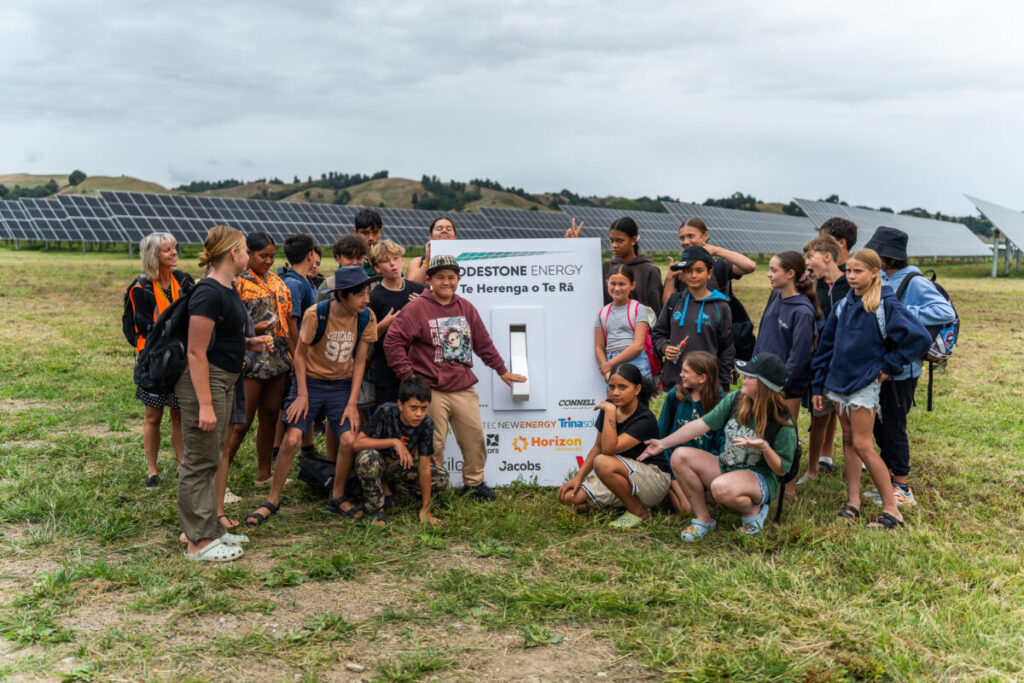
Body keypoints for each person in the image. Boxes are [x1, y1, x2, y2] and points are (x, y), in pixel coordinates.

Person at [383, 255, 526, 501]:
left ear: (459, 280)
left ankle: (474, 484)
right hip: (430, 389)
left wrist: (502, 370)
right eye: (440, 277)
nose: (446, 282)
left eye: (451, 277)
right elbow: (393, 340)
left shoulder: (465, 307)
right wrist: (408, 377)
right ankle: (433, 487)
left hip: (462, 386)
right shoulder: (417, 309)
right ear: (429, 280)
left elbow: (483, 343)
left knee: (474, 438)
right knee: (434, 442)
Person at [244, 265, 378, 526]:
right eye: (360, 294)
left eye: (367, 293)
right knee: (292, 439)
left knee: (349, 440)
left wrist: (352, 402)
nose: (367, 299)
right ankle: (273, 499)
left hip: (342, 386)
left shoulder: (366, 317)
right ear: (342, 295)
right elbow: (301, 356)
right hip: (311, 382)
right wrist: (302, 394)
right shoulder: (316, 314)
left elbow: (360, 361)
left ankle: (337, 495)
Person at [810, 249, 931, 530]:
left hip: (863, 385)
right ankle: (853, 503)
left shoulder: (885, 305)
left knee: (864, 445)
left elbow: (920, 338)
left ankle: (892, 511)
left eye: (858, 272)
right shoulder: (842, 304)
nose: (851, 277)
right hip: (837, 384)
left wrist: (890, 364)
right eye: (848, 271)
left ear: (874, 272)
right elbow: (826, 346)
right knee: (849, 442)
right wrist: (818, 384)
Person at [176, 225, 270, 561]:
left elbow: (220, 336)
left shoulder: (226, 289)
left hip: (224, 379)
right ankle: (197, 541)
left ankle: (210, 530)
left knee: (211, 456)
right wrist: (204, 404)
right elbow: (196, 352)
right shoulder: (209, 292)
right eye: (245, 249)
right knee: (199, 460)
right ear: (233, 253)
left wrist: (247, 342)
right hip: (207, 381)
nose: (248, 255)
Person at [642, 353, 797, 541]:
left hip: (759, 478)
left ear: (764, 385)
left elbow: (782, 470)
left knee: (720, 487)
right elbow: (701, 425)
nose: (743, 379)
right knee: (679, 456)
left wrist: (764, 447)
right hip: (727, 467)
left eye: (749, 377)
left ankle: (753, 510)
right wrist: (662, 444)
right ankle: (703, 519)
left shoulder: (782, 421)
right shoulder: (735, 400)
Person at [862, 226, 956, 508]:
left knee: (893, 427)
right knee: (880, 427)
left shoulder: (914, 281)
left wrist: (902, 312)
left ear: (888, 257)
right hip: (884, 366)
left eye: (876, 255)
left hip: (903, 370)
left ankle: (902, 487)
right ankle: (889, 482)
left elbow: (945, 311)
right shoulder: (884, 277)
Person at [223, 232, 294, 487]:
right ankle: (219, 481)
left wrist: (292, 355)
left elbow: (288, 322)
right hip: (250, 360)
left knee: (270, 417)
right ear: (249, 254)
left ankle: (264, 474)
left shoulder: (278, 282)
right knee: (240, 423)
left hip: (277, 360)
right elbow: (228, 324)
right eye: (263, 256)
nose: (268, 260)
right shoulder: (237, 284)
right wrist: (257, 328)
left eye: (272, 256)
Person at [556, 364, 664, 528]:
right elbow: (598, 447)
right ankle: (624, 499)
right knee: (569, 497)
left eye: (622, 387)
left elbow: (609, 449)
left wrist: (611, 411)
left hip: (653, 479)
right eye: (612, 387)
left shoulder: (644, 419)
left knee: (602, 462)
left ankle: (639, 512)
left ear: (637, 389)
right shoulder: (610, 407)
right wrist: (578, 477)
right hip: (622, 475)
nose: (615, 392)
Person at [129, 232, 195, 488]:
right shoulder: (140, 288)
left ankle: (181, 465)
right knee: (153, 416)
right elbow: (146, 326)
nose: (174, 253)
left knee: (178, 414)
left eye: (174, 248)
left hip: (179, 358)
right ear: (154, 256)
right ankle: (152, 470)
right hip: (154, 361)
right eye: (167, 250)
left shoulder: (184, 280)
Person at [352, 376, 449, 525]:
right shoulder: (385, 411)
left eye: (424, 408)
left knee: (441, 478)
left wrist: (426, 507)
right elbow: (357, 444)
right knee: (367, 457)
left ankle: (389, 490)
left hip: (399, 467)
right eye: (413, 408)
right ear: (401, 405)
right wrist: (393, 442)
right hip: (378, 463)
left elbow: (424, 466)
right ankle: (376, 508)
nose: (419, 414)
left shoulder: (426, 424)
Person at [798, 235, 849, 484]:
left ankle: (853, 469)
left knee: (847, 422)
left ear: (827, 257)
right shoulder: (811, 287)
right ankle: (812, 470)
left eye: (810, 257)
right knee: (818, 418)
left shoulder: (850, 286)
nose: (807, 263)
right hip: (819, 367)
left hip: (845, 368)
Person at [651, 245, 734, 389]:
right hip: (675, 383)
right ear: (682, 274)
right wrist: (664, 348)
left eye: (699, 271)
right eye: (688, 271)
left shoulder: (721, 306)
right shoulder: (674, 302)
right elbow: (657, 334)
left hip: (706, 384)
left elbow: (727, 349)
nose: (693, 275)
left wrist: (724, 384)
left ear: (709, 273)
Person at [753, 251, 820, 430]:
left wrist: (780, 384)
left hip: (785, 389)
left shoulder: (802, 312)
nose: (769, 274)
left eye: (774, 270)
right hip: (762, 381)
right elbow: (762, 338)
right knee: (760, 431)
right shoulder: (775, 297)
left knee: (782, 434)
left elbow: (799, 357)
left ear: (790, 274)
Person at [655, 351, 725, 513]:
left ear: (702, 378)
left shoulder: (720, 401)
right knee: (687, 510)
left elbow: (721, 439)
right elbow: (662, 432)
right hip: (675, 465)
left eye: (686, 371)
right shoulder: (675, 396)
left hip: (704, 465)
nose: (681, 375)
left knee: (707, 504)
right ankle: (669, 487)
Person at [369, 239, 424, 405]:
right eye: (386, 261)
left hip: (418, 368)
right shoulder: (374, 297)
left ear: (402, 260)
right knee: (389, 422)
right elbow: (366, 337)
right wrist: (384, 324)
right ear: (377, 268)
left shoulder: (418, 290)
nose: (392, 264)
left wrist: (424, 306)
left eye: (395, 258)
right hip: (386, 373)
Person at [663, 217, 756, 306]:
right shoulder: (680, 269)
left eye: (691, 236)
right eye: (682, 238)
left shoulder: (719, 265)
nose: (686, 242)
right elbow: (667, 307)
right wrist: (670, 277)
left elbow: (749, 266)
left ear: (706, 236)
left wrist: (716, 250)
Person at [594, 264, 653, 380]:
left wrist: (609, 364)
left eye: (622, 284)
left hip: (636, 362)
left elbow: (638, 345)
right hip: (611, 363)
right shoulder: (602, 312)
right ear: (607, 283)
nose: (616, 288)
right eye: (613, 284)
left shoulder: (638, 309)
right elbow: (599, 346)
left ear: (632, 285)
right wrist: (605, 366)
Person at [600, 217, 663, 316]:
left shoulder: (649, 271)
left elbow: (655, 310)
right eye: (611, 240)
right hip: (608, 330)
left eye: (620, 241)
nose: (614, 245)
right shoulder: (605, 268)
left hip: (641, 330)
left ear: (633, 239)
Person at [318, 235, 370, 302]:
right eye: (349, 258)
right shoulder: (328, 286)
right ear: (338, 258)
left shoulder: (373, 285)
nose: (355, 262)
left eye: (359, 258)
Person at [407, 216, 456, 285]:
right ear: (430, 236)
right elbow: (412, 287)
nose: (444, 231)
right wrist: (427, 260)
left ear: (455, 236)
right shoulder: (417, 262)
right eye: (439, 229)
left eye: (449, 229)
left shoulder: (466, 260)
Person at [353, 208, 383, 277]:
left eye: (375, 232)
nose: (371, 238)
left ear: (381, 232)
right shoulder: (349, 258)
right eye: (365, 233)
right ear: (356, 232)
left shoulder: (390, 258)